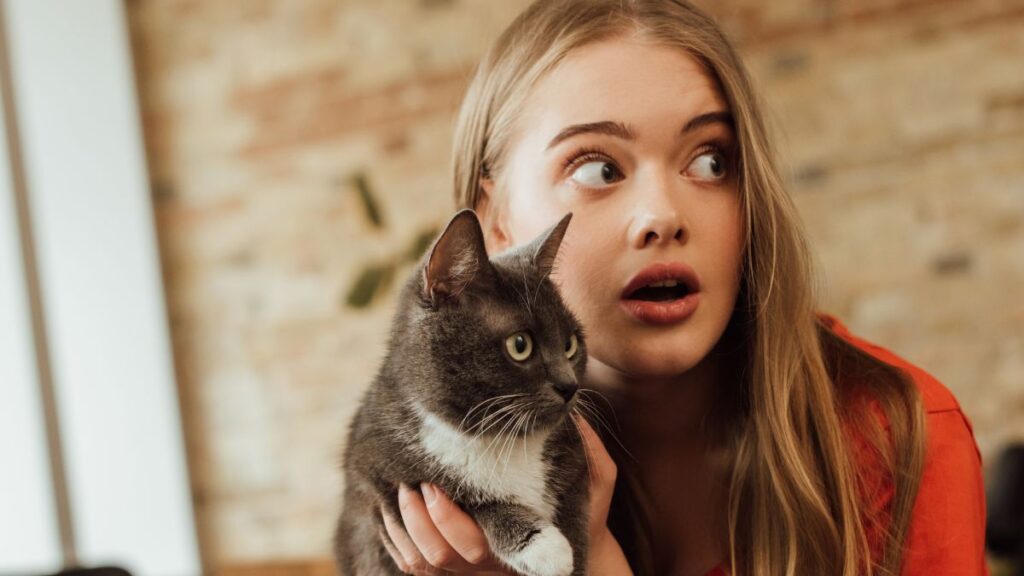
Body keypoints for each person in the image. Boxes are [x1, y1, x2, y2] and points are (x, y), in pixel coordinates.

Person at [374, 1, 989, 574]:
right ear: (494, 221)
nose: (662, 216)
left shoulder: (901, 435)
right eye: (597, 168)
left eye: (709, 161)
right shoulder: (423, 490)